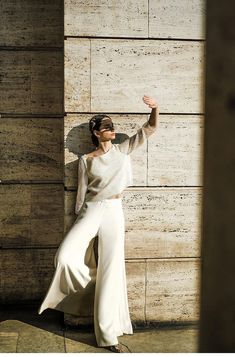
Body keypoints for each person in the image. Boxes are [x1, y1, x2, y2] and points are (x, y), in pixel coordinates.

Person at [38, 95, 159, 352]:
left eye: (112, 125)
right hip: (92, 211)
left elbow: (150, 129)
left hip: (115, 211)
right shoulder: (86, 160)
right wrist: (78, 222)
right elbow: (81, 195)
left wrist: (155, 108)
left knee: (111, 271)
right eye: (107, 126)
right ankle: (84, 282)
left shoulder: (123, 150)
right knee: (65, 257)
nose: (112, 129)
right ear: (96, 132)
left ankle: (107, 337)